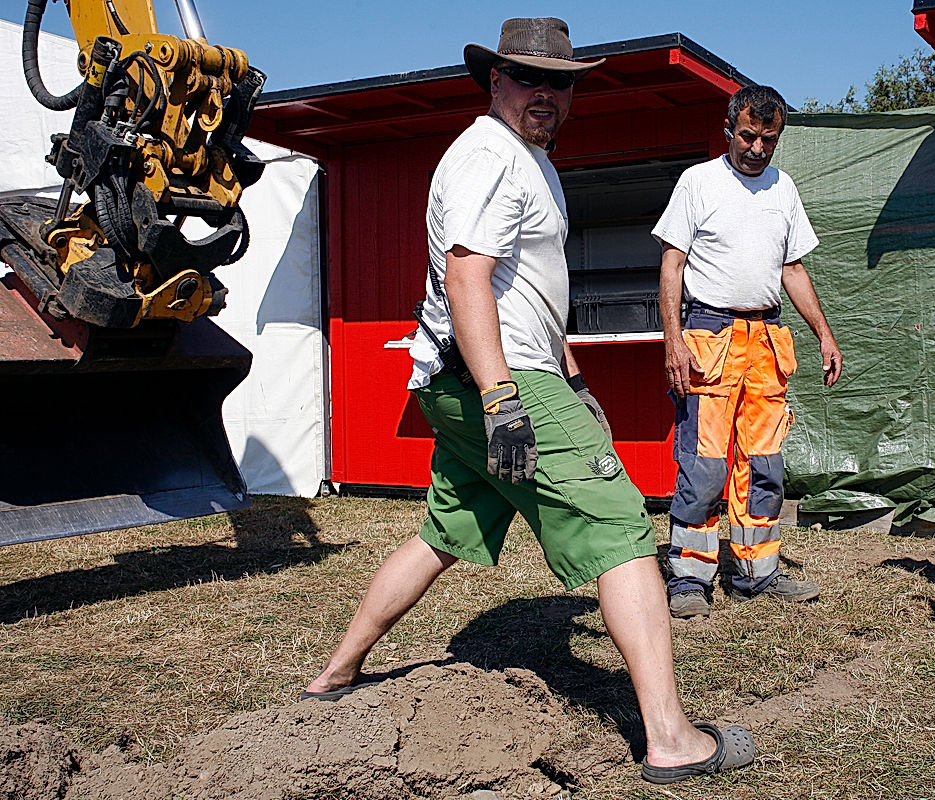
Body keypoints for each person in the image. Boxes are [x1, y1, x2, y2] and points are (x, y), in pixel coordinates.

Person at [302, 18, 755, 783]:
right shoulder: (488, 157)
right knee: (618, 526)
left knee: (445, 532)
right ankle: (672, 738)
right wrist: (505, 397)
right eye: (528, 77)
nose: (547, 92)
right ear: (495, 82)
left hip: (474, 377)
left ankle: (337, 672)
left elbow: (532, 296)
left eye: (562, 81)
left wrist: (574, 380)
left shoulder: (526, 161)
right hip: (496, 379)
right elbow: (468, 274)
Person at [653, 84, 843, 620]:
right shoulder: (698, 182)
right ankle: (689, 577)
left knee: (764, 464)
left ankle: (758, 572)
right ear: (729, 130)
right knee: (705, 465)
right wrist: (674, 342)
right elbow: (672, 266)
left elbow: (792, 269)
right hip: (708, 337)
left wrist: (824, 334)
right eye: (749, 136)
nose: (758, 149)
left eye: (769, 139)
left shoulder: (784, 190)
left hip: (767, 341)